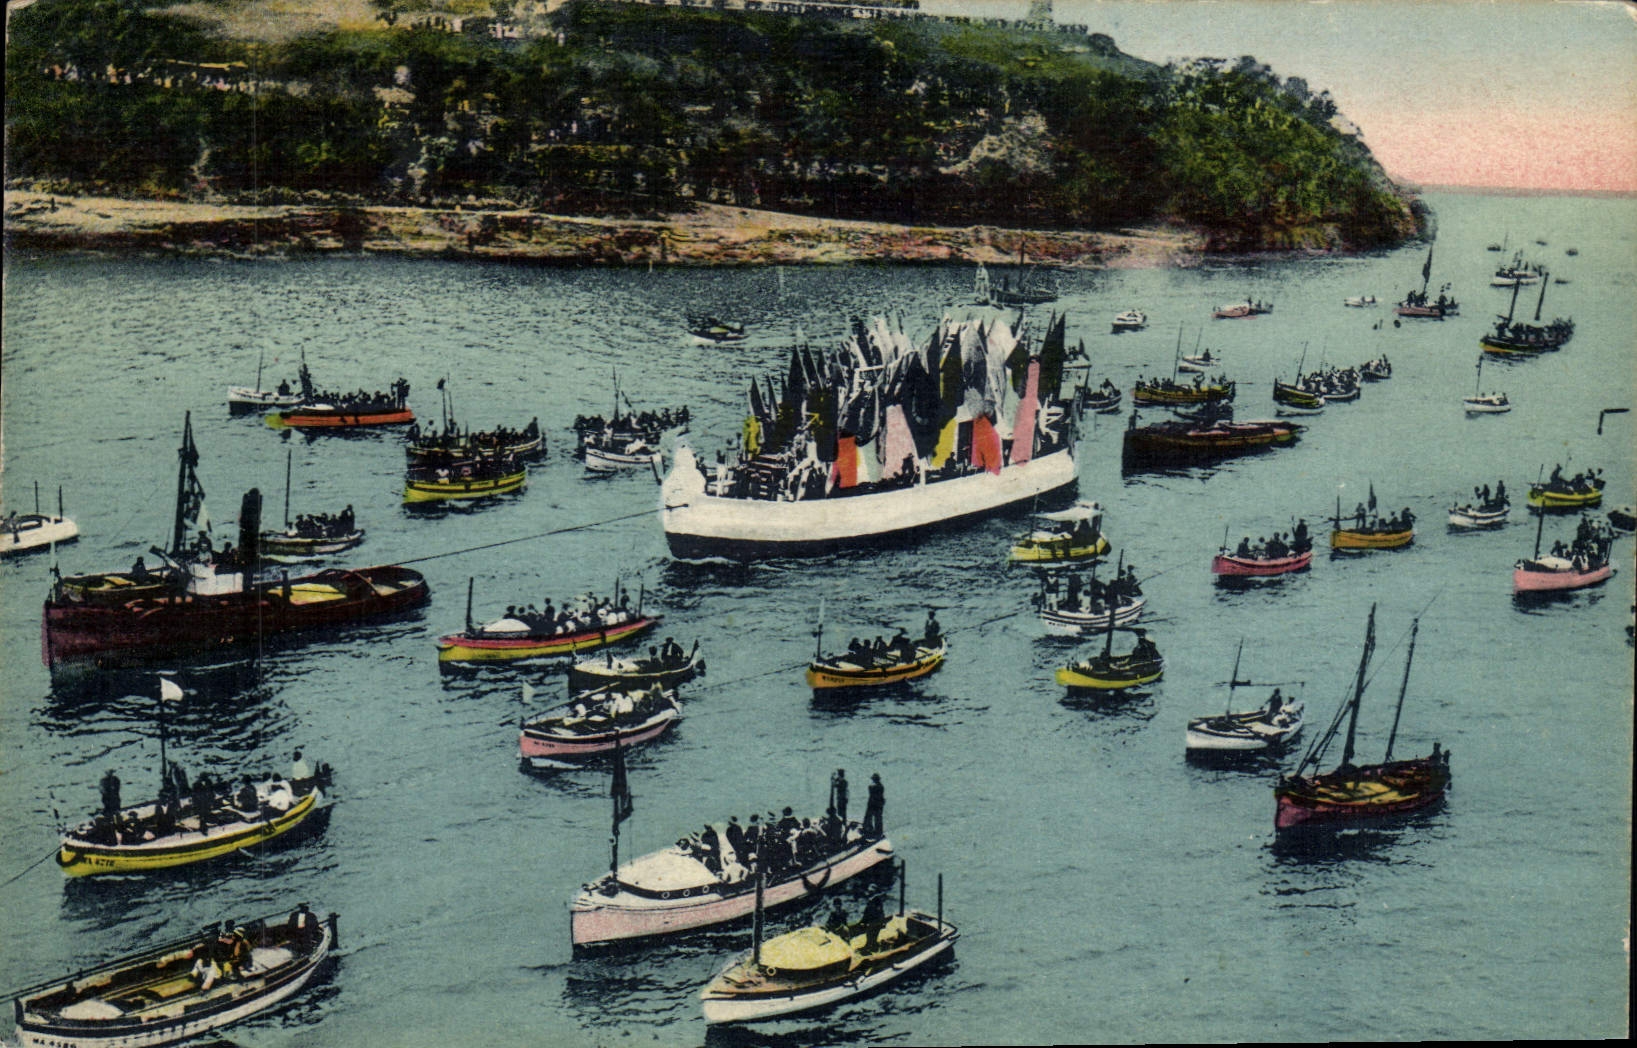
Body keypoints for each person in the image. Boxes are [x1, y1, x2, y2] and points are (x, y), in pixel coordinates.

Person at [862, 773, 885, 839]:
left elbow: (872, 792)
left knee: (873, 817)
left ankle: (871, 830)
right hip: (877, 804)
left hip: (874, 804)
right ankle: (874, 831)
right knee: (876, 818)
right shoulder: (879, 786)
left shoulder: (877, 787)